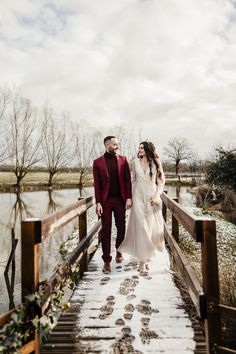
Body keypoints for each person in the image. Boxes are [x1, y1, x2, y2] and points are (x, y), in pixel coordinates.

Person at [118, 141, 165, 273]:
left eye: (142, 148)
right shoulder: (134, 162)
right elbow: (130, 180)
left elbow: (161, 181)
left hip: (151, 198)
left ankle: (145, 257)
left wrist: (156, 196)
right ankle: (142, 261)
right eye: (138, 147)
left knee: (149, 228)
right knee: (142, 228)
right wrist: (128, 197)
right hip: (137, 196)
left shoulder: (156, 162)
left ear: (148, 149)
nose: (139, 149)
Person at [93, 136, 132, 274]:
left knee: (121, 228)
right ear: (107, 145)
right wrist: (98, 202)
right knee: (106, 230)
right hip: (106, 201)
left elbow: (128, 180)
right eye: (115, 144)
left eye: (117, 144)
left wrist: (128, 197)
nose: (117, 146)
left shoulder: (123, 160)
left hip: (120, 200)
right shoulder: (97, 163)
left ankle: (119, 251)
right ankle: (106, 261)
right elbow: (97, 185)